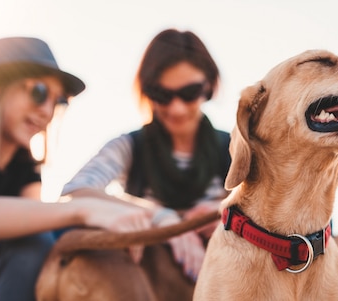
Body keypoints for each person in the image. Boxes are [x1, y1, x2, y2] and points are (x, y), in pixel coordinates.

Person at [0, 37, 154, 301]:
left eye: (58, 101)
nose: (47, 111)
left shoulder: (25, 165)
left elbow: (34, 226)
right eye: (39, 92)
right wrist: (83, 210)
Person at [61, 29, 231, 287]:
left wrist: (226, 210)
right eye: (162, 95)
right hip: (147, 283)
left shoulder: (234, 147)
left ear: (208, 86)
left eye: (189, 93)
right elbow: (75, 191)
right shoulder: (130, 146)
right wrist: (161, 218)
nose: (176, 108)